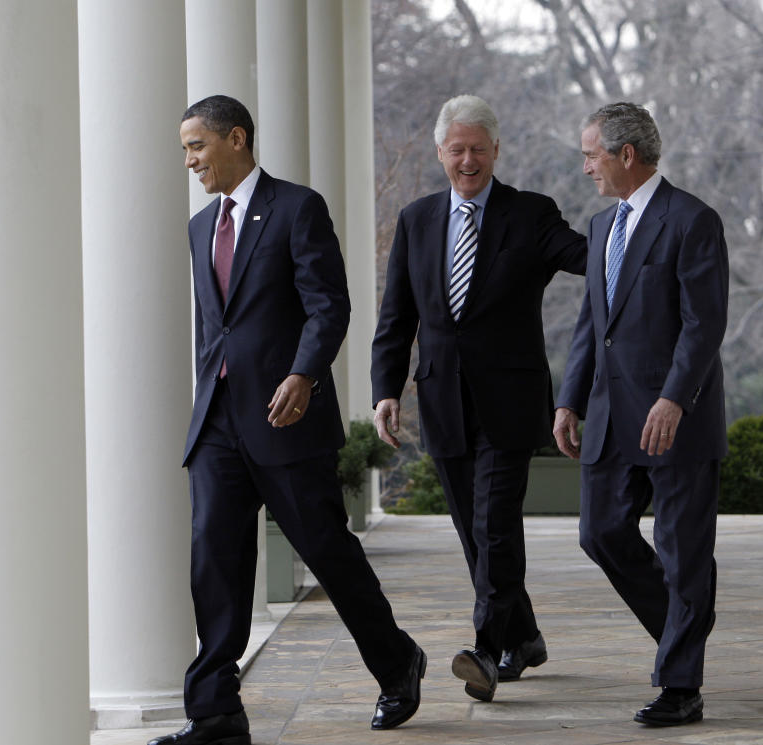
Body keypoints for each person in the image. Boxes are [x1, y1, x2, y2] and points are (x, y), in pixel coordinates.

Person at [151, 95, 425, 745]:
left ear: (236, 139)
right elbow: (212, 331)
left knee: (327, 549)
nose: (188, 159)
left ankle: (396, 662)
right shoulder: (198, 228)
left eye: (196, 145)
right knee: (214, 558)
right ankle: (215, 708)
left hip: (285, 416)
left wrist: (302, 374)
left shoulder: (297, 208)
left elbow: (328, 304)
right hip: (217, 422)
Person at [371, 94, 587, 703]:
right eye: (457, 149)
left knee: (494, 528)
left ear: (496, 151)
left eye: (479, 149)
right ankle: (526, 638)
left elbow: (589, 260)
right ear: (441, 152)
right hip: (442, 399)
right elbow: (397, 314)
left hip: (510, 402)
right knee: (474, 532)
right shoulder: (416, 219)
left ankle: (486, 652)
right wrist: (386, 389)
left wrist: (637, 228)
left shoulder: (531, 214)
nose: (468, 160)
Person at [554, 102, 728, 727]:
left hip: (674, 417)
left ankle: (681, 684)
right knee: (599, 533)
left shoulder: (693, 221)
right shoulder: (603, 226)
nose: (585, 167)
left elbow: (704, 325)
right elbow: (590, 326)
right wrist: (569, 398)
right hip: (607, 414)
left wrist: (674, 398)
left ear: (626, 155)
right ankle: (686, 625)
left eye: (591, 155)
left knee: (683, 552)